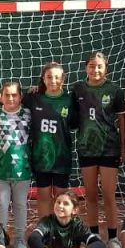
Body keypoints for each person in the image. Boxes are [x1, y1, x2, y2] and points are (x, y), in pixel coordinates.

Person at [71, 52, 125, 248]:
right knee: (91, 194)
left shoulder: (114, 90)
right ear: (86, 68)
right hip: (87, 147)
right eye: (92, 66)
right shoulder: (78, 89)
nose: (95, 70)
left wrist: (123, 146)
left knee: (109, 195)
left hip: (109, 147)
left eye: (99, 66)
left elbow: (122, 120)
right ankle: (93, 236)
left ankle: (113, 238)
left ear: (106, 68)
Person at [24, 61, 76, 220]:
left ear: (63, 78)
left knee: (61, 199)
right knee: (43, 197)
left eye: (57, 77)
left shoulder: (69, 101)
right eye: (49, 77)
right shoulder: (33, 98)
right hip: (41, 158)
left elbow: (74, 124)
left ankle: (61, 228)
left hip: (61, 157)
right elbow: (10, 100)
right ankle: (44, 229)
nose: (53, 80)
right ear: (43, 78)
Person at [0, 80, 32, 248]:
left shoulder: (28, 113)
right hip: (0, 169)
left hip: (22, 169)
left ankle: (20, 239)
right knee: (1, 205)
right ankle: (1, 239)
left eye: (14, 95)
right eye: (6, 95)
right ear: (1, 96)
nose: (11, 98)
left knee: (20, 205)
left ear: (20, 96)